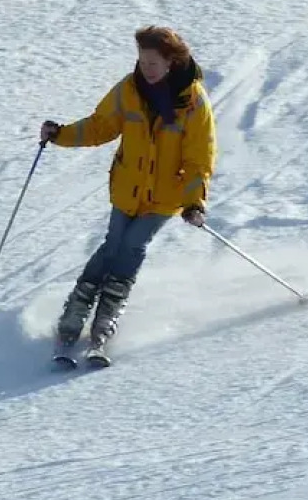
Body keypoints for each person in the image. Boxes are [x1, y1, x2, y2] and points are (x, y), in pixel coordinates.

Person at [40, 26, 217, 357]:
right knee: (112, 246)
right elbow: (100, 126)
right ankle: (75, 312)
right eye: (141, 60)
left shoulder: (193, 103)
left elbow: (199, 159)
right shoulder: (129, 89)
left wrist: (194, 202)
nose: (145, 68)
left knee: (132, 246)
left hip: (165, 196)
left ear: (171, 62)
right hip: (127, 188)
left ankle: (106, 318)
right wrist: (60, 134)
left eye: (152, 62)